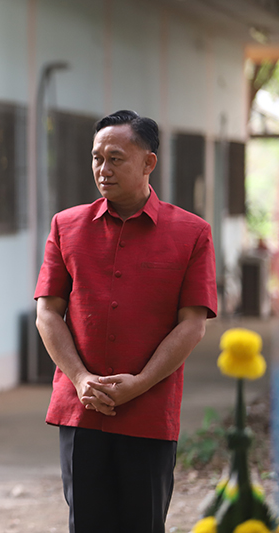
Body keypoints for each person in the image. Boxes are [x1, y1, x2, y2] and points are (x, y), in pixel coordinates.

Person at [34, 110, 217, 533]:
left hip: (149, 412)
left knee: (143, 523)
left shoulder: (191, 233)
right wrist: (80, 378)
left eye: (115, 158)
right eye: (97, 158)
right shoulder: (66, 226)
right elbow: (48, 312)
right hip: (81, 408)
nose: (103, 169)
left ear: (149, 162)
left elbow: (192, 324)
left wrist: (140, 382)